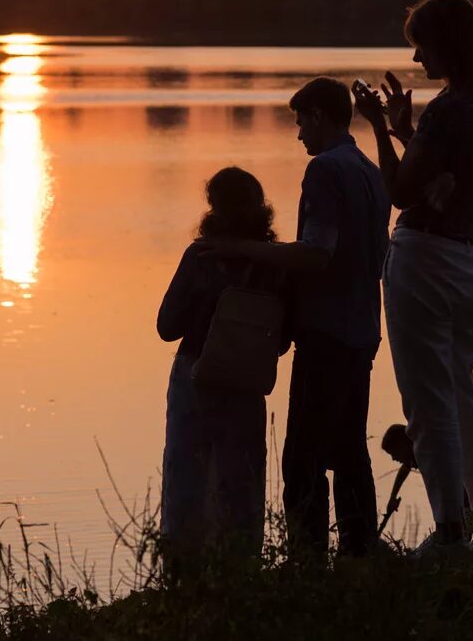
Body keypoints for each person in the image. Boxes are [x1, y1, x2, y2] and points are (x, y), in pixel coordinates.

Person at [352, 0, 473, 551]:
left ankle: (448, 532)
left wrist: (376, 125)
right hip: (472, 260)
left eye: (422, 48)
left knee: (426, 403)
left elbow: (402, 191)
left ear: (446, 44)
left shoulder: (448, 109)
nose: (418, 61)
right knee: (458, 396)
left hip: (424, 261)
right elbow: (450, 176)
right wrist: (407, 131)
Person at [200, 77, 390, 557]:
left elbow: (316, 254)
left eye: (301, 121)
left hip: (327, 332)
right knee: (349, 451)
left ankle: (306, 563)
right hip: (364, 330)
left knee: (302, 457)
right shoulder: (370, 170)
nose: (299, 133)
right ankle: (359, 552)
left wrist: (245, 249)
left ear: (320, 116)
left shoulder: (325, 170)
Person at [156, 167, 279, 559]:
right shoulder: (273, 262)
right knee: (240, 483)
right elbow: (281, 340)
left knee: (187, 482)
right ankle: (241, 568)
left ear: (214, 208)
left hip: (195, 378)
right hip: (246, 383)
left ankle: (183, 574)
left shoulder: (200, 256)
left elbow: (166, 326)